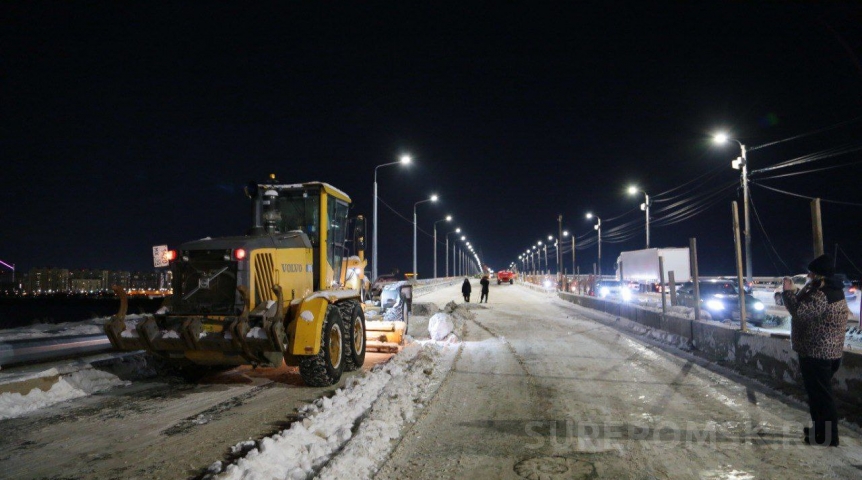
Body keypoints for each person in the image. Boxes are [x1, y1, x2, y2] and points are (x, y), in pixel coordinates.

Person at [783, 254, 849, 447]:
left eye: (811, 272)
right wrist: (797, 291)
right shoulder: (830, 289)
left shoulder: (822, 294)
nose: (808, 275)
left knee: (821, 397)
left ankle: (828, 437)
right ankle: (819, 430)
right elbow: (804, 306)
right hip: (826, 351)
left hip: (817, 353)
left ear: (819, 274)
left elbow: (800, 313)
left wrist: (787, 293)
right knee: (817, 395)